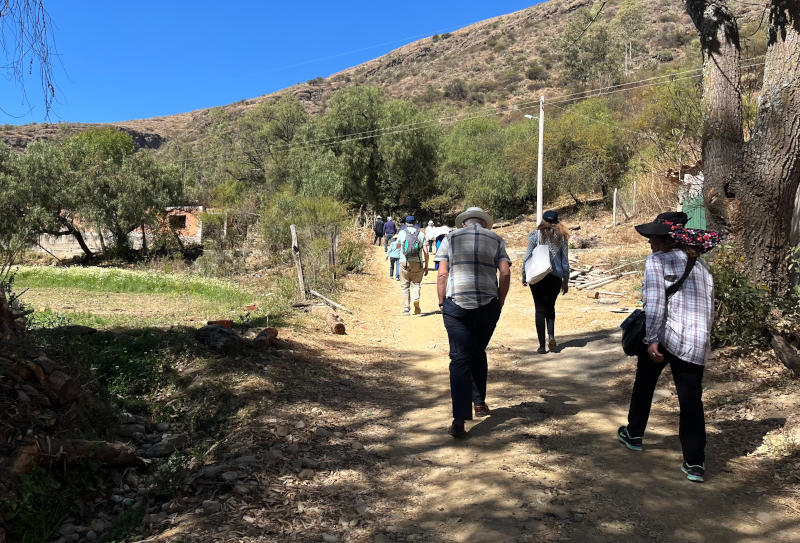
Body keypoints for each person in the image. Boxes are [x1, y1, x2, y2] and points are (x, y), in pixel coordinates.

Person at [617, 211, 718, 483]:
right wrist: (703, 340)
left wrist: (651, 339)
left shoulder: (656, 261)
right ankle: (695, 463)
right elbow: (710, 307)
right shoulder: (701, 266)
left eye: (654, 237)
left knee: (644, 385)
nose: (650, 242)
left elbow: (655, 303)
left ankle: (634, 434)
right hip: (695, 342)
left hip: (664, 337)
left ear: (665, 239)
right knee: (691, 401)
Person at [435, 207, 511, 438]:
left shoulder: (450, 238)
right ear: (484, 223)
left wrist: (441, 302)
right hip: (487, 306)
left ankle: (459, 419)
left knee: (459, 357)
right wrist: (500, 301)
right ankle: (479, 402)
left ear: (464, 223)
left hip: (456, 305)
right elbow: (505, 272)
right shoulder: (496, 239)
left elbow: (441, 274)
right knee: (477, 351)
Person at [522, 210, 569, 354]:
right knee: (550, 307)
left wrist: (524, 275)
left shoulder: (535, 236)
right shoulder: (561, 237)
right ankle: (551, 336)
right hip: (555, 277)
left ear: (542, 221)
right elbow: (565, 260)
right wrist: (565, 280)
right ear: (556, 222)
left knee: (539, 309)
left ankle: (542, 346)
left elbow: (527, 257)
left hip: (537, 276)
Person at [397, 216, 429, 314]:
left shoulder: (402, 233)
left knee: (405, 286)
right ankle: (416, 299)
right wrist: (426, 266)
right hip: (417, 262)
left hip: (404, 262)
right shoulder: (421, 234)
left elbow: (398, 246)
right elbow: (426, 252)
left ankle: (406, 309)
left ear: (406, 223)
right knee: (416, 284)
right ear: (415, 223)